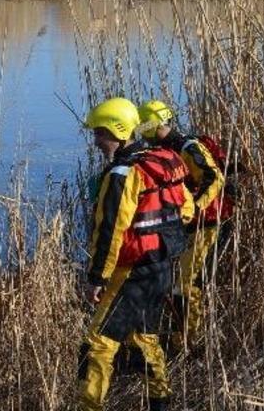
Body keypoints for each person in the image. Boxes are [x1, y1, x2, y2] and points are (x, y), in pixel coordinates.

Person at [78, 98, 194, 411]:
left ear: (118, 131)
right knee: (145, 339)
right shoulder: (162, 161)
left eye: (100, 133)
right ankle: (161, 403)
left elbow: (110, 230)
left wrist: (97, 278)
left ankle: (88, 406)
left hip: (132, 271)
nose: (96, 141)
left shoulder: (122, 174)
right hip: (161, 266)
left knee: (98, 344)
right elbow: (187, 210)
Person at [137, 100, 226, 348]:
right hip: (185, 227)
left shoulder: (188, 147)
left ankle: (189, 341)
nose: (142, 134)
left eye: (144, 128)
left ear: (153, 125)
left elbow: (214, 178)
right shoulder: (168, 148)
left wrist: (194, 209)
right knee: (176, 283)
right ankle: (180, 338)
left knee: (187, 284)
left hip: (205, 226)